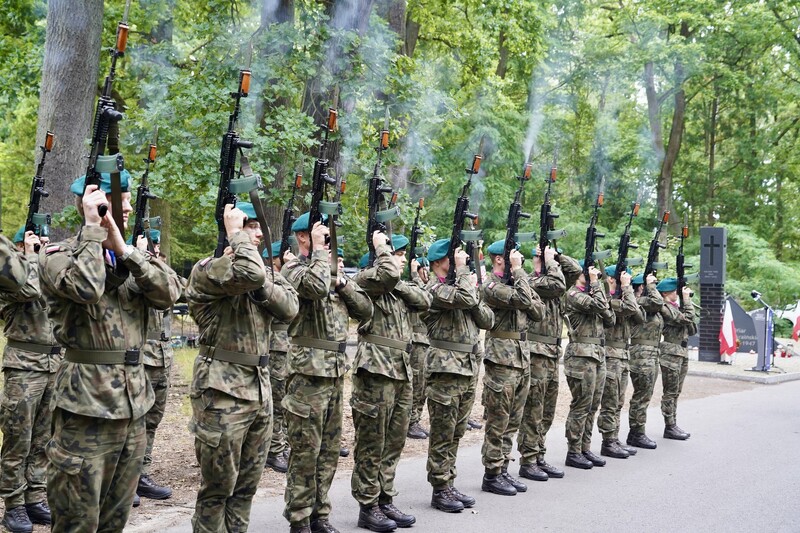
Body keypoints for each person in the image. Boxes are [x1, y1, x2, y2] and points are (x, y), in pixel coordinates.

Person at [39, 171, 177, 531]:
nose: (129, 206)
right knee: (77, 522)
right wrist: (93, 231)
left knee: (115, 521)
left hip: (134, 408)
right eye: (120, 199)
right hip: (86, 410)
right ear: (92, 205)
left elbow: (170, 294)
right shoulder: (58, 257)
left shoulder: (131, 259)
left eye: (129, 198)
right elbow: (85, 287)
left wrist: (127, 251)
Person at [186, 201, 299, 532]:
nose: (260, 233)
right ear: (231, 228)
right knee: (217, 489)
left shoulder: (262, 273)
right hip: (222, 392)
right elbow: (247, 273)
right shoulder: (210, 270)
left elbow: (290, 307)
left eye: (257, 227)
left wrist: (262, 279)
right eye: (251, 226)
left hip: (259, 390)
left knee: (245, 489)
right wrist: (236, 234)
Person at [282, 212, 372, 533]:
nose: (328, 238)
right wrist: (321, 255)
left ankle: (320, 514)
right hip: (307, 376)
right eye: (321, 233)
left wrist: (344, 283)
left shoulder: (330, 271)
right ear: (304, 237)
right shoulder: (291, 267)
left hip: (334, 374)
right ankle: (299, 519)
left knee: (329, 451)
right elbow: (315, 289)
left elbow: (365, 311)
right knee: (306, 451)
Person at [351, 233, 431, 531]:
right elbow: (387, 273)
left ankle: (385, 499)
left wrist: (396, 281)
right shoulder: (366, 282)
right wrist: (382, 250)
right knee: (372, 442)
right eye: (395, 253)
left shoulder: (398, 289)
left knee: (394, 440)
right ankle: (368, 505)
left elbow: (425, 300)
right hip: (375, 370)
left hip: (401, 370)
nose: (400, 258)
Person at [423, 238, 493, 513]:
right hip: (445, 369)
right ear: (441, 262)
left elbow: (487, 320)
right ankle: (440, 488)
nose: (460, 262)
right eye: (454, 258)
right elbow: (465, 297)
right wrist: (464, 273)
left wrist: (471, 291)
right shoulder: (434, 289)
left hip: (466, 367)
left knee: (456, 432)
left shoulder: (462, 289)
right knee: (442, 432)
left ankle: (448, 482)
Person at [0, 228, 60, 533]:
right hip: (23, 367)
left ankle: (36, 496)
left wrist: (42, 257)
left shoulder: (41, 266)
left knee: (44, 439)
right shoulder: (12, 277)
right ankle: (13, 504)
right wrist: (31, 255)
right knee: (17, 439)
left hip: (54, 364)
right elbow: (30, 289)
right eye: (30, 244)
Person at [479, 240, 543, 497]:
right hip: (501, 360)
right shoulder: (491, 285)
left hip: (521, 358)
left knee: (513, 420)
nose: (519, 260)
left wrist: (519, 277)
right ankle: (491, 473)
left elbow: (538, 311)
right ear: (498, 259)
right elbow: (524, 299)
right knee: (498, 419)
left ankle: (503, 467)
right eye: (513, 256)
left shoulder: (517, 282)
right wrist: (519, 274)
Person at [518, 246, 580, 481]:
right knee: (533, 409)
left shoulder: (557, 280)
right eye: (546, 258)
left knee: (547, 409)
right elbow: (556, 283)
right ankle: (528, 459)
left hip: (552, 353)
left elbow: (575, 269)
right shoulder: (533, 282)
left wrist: (557, 256)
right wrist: (547, 262)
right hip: (535, 352)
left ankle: (539, 454)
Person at [136, 229, 185, 501]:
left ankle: (141, 473)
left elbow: (179, 287)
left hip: (162, 356)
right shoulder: (135, 273)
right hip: (142, 356)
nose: (155, 254)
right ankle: (127, 476)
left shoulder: (160, 273)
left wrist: (154, 261)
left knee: (152, 420)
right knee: (136, 421)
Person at [563, 263, 614, 469]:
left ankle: (585, 447)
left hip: (598, 355)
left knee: (593, 405)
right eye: (590, 272)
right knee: (581, 405)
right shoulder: (573, 295)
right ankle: (573, 451)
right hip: (581, 356)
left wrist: (598, 288)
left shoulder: (594, 295)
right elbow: (600, 307)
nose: (594, 275)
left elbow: (610, 319)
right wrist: (595, 284)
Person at [597, 266, 640, 459]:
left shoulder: (621, 298)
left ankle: (614, 437)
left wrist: (626, 290)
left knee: (619, 401)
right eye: (622, 280)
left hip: (622, 353)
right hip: (610, 353)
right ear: (612, 280)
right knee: (610, 400)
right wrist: (627, 288)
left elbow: (639, 315)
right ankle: (608, 441)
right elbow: (631, 308)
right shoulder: (607, 300)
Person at [626, 273, 663, 449]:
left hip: (650, 354)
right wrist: (651, 286)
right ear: (641, 287)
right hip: (641, 354)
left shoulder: (645, 303)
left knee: (645, 394)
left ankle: (637, 431)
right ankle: (636, 433)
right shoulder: (638, 302)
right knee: (641, 394)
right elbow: (657, 302)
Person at [658, 278, 697, 440]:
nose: (678, 294)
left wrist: (685, 304)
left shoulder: (677, 307)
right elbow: (686, 319)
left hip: (681, 350)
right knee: (670, 391)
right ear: (666, 293)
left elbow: (692, 328)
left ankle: (673, 422)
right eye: (675, 291)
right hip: (671, 351)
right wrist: (687, 301)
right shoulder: (664, 307)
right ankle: (669, 425)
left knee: (677, 391)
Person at [264, 241, 291, 474]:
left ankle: (281, 445)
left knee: (284, 401)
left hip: (286, 347)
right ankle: (273, 450)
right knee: (276, 399)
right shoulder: (270, 279)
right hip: (275, 347)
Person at [407, 257, 431, 441]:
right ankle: (411, 420)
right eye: (423, 269)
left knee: (422, 384)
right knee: (416, 381)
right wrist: (414, 275)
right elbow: (422, 298)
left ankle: (416, 418)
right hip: (416, 341)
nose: (426, 273)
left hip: (426, 340)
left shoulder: (429, 286)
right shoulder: (412, 286)